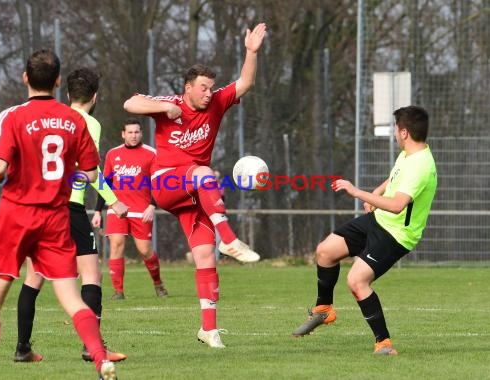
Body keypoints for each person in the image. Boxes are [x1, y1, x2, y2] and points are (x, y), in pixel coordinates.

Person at [0, 50, 116, 380]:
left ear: (25, 78)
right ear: (58, 81)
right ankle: (98, 357)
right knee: (71, 297)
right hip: (55, 217)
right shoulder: (75, 120)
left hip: (15, 216)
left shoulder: (13, 116)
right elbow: (91, 174)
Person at [123, 23, 267, 348]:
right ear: (188, 87)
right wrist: (162, 107)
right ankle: (229, 239)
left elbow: (246, 82)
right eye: (202, 87)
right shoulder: (170, 104)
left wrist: (251, 51)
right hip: (166, 183)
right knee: (205, 173)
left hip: (194, 194)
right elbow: (130, 104)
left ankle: (209, 330)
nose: (208, 93)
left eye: (210, 87)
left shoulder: (215, 102)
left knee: (204, 257)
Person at [292, 105, 437, 355]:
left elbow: (397, 205)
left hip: (396, 235)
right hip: (378, 220)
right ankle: (324, 308)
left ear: (403, 132)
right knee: (325, 251)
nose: (393, 133)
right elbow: (395, 179)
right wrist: (377, 193)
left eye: (395, 129)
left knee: (356, 280)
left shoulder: (421, 166)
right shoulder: (410, 154)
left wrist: (358, 191)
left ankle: (383, 343)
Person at [13, 68, 129, 364]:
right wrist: (114, 202)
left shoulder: (53, 120)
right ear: (95, 96)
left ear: (67, 95)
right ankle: (94, 348)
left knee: (34, 277)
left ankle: (22, 347)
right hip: (70, 206)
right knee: (91, 275)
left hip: (40, 207)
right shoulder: (89, 123)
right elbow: (91, 171)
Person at [92, 118, 168, 300]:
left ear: (141, 133)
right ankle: (118, 292)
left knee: (145, 251)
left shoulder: (152, 154)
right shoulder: (112, 154)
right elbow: (104, 184)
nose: (133, 136)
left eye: (136, 132)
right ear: (123, 134)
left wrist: (152, 205)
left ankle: (158, 284)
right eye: (130, 132)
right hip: (116, 208)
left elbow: (159, 183)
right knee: (116, 246)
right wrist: (97, 211)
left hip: (141, 210)